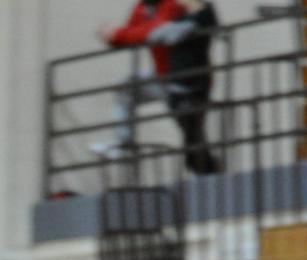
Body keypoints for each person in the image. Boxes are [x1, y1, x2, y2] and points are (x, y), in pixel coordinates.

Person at [95, 0, 221, 175]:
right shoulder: (141, 8)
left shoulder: (172, 4)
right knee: (125, 89)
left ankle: (208, 170)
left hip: (183, 81)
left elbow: (155, 31)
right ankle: (124, 144)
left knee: (192, 135)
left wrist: (117, 33)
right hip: (162, 76)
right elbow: (132, 34)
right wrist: (111, 38)